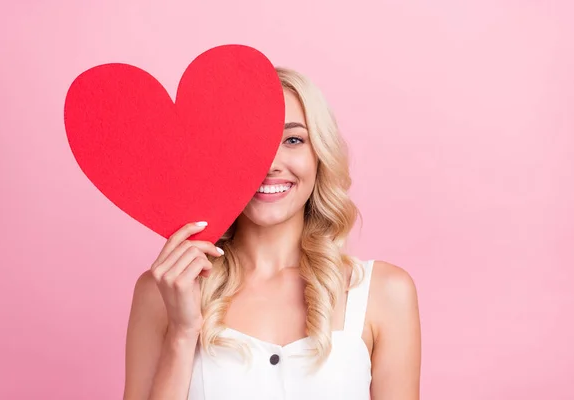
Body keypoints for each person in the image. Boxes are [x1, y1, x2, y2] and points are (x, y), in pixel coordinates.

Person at [123, 67, 421, 400]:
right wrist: (182, 332)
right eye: (247, 141)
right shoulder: (162, 292)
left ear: (319, 155)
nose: (270, 164)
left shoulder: (385, 293)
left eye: (293, 139)